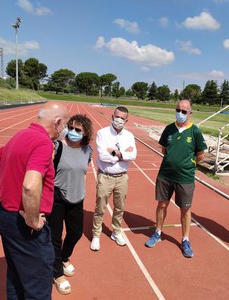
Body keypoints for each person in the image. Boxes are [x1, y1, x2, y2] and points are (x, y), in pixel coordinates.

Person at [0, 101, 69, 300]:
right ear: (57, 122)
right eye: (64, 124)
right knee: (38, 287)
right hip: (24, 225)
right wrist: (33, 220)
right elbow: (30, 185)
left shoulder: (20, 135)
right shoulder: (42, 143)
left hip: (5, 216)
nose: (64, 129)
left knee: (16, 276)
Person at [145, 100, 207, 258]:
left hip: (185, 177)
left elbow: (201, 155)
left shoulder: (195, 131)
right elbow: (164, 149)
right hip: (165, 174)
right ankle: (158, 232)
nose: (180, 113)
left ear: (190, 113)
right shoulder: (169, 129)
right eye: (178, 109)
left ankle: (185, 239)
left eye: (184, 111)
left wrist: (188, 165)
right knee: (162, 204)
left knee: (185, 209)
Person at [48, 114, 93, 295]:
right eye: (71, 128)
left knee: (76, 233)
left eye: (78, 130)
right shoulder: (58, 147)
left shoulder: (88, 150)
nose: (74, 132)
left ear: (85, 133)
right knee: (55, 237)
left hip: (77, 197)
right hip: (57, 197)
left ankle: (64, 257)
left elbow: (83, 170)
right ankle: (57, 273)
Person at [90, 106, 137, 251]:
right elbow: (102, 156)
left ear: (126, 120)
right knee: (100, 207)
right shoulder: (102, 133)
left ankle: (116, 232)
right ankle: (96, 235)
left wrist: (114, 152)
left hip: (122, 177)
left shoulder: (129, 135)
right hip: (105, 176)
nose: (119, 120)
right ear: (112, 116)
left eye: (122, 118)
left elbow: (133, 155)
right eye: (117, 117)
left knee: (120, 208)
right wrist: (123, 154)